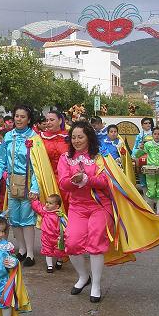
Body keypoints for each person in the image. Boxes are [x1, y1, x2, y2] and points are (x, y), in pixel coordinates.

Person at [58, 121, 114, 303]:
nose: (76, 140)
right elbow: (62, 184)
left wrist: (88, 179)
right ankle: (83, 276)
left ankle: (96, 284)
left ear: (89, 137)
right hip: (77, 206)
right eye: (73, 137)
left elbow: (106, 182)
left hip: (100, 205)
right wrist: (74, 181)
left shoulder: (101, 156)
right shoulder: (65, 158)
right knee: (72, 243)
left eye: (80, 136)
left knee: (96, 240)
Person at [0, 105, 41, 266]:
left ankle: (31, 254)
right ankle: (21, 250)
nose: (18, 119)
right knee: (14, 219)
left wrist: (35, 187)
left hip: (28, 183)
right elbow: (0, 159)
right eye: (16, 116)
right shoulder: (8, 137)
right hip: (12, 183)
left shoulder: (34, 138)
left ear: (29, 119)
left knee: (27, 219)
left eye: (22, 117)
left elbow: (38, 166)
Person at [134, 126, 159, 214]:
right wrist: (140, 149)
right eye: (155, 134)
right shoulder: (148, 145)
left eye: (158, 134)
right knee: (151, 191)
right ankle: (152, 211)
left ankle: (158, 213)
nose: (157, 136)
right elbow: (138, 155)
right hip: (150, 171)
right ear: (152, 135)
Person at [31, 194, 67, 273]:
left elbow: (65, 226)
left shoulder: (60, 215)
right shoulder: (45, 212)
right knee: (47, 250)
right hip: (46, 236)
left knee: (59, 250)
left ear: (57, 206)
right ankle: (49, 266)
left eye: (50, 203)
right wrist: (34, 200)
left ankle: (59, 260)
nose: (47, 204)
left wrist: (64, 235)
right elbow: (38, 208)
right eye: (47, 202)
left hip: (57, 237)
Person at [39, 110, 69, 176]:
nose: (48, 122)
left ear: (60, 121)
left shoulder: (69, 137)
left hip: (65, 176)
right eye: (47, 120)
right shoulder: (40, 138)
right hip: (47, 177)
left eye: (52, 120)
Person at [132, 117, 154, 189]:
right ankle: (143, 186)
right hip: (141, 155)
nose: (148, 124)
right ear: (142, 125)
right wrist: (138, 150)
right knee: (140, 166)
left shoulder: (155, 134)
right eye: (146, 123)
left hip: (152, 155)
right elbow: (135, 148)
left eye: (149, 123)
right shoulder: (139, 136)